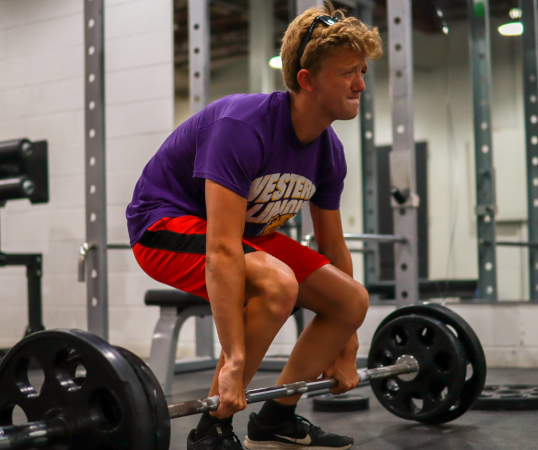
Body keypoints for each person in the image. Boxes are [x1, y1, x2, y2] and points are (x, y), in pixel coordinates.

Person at [126, 2, 383, 448]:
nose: (361, 84)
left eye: (362, 71)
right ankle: (212, 430)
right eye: (347, 73)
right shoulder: (241, 126)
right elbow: (222, 249)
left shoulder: (329, 152)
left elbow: (334, 250)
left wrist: (348, 343)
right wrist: (234, 362)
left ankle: (276, 419)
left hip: (246, 234)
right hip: (163, 225)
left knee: (350, 300)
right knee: (278, 284)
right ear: (307, 80)